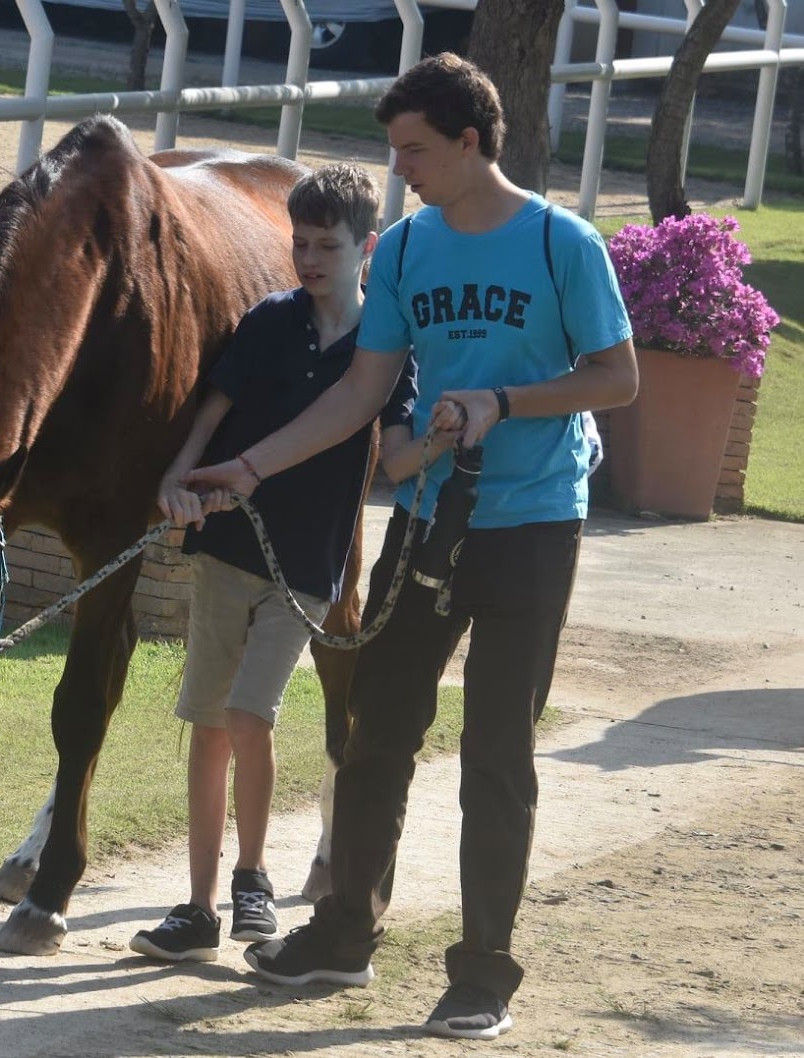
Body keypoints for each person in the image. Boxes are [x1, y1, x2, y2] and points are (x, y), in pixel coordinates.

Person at [183, 53, 638, 1040]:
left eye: (415, 150)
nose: (402, 171)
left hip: (533, 524)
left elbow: (616, 377)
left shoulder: (563, 245)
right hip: (427, 521)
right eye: (395, 152)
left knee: (495, 752)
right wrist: (249, 467)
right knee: (376, 728)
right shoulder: (403, 253)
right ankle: (344, 934)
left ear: (472, 141)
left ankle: (481, 974)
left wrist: (505, 401)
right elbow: (357, 393)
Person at [129, 164, 414, 964]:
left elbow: (395, 449)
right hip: (225, 548)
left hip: (308, 566)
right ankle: (197, 908)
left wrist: (452, 439)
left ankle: (252, 876)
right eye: (301, 241)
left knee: (251, 716)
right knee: (209, 726)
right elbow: (211, 410)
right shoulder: (269, 319)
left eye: (329, 244)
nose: (310, 258)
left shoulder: (387, 344)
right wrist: (175, 479)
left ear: (369, 247)